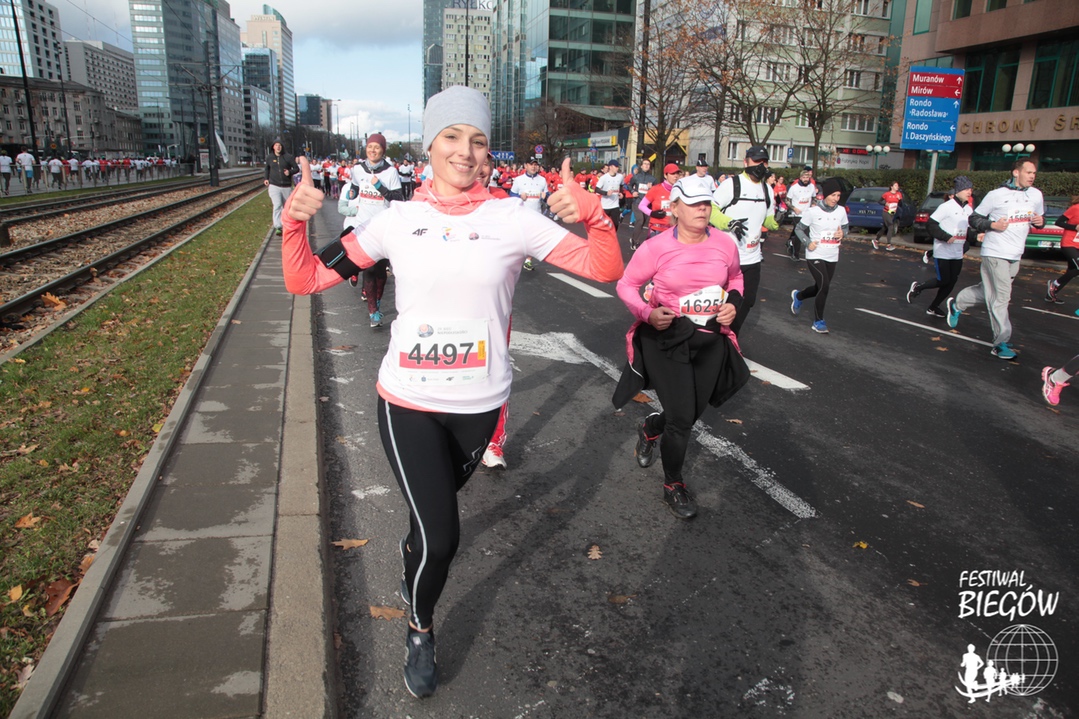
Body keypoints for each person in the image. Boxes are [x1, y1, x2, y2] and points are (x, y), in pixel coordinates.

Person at [280, 85, 622, 698]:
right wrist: (293, 223)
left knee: (426, 526)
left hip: (479, 408)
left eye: (478, 140)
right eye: (452, 137)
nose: (466, 151)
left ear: (488, 152)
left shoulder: (514, 220)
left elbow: (605, 268)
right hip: (407, 402)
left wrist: (594, 215)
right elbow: (304, 278)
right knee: (442, 537)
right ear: (429, 147)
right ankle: (420, 627)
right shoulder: (395, 222)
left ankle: (417, 558)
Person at [612, 178, 749, 520]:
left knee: (690, 413)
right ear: (674, 208)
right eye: (693, 204)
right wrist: (647, 313)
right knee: (683, 418)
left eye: (706, 203)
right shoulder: (656, 247)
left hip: (710, 338)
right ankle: (673, 483)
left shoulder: (725, 243)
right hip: (668, 337)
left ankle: (650, 428)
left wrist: (733, 303)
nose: (702, 209)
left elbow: (736, 278)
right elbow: (626, 285)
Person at [946, 160, 1045, 360]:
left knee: (988, 291)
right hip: (995, 251)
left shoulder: (1036, 195)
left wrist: (1040, 222)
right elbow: (974, 219)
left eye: (1034, 173)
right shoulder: (996, 195)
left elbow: (1040, 219)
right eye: (1028, 172)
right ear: (1016, 172)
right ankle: (1000, 342)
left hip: (1015, 254)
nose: (1032, 176)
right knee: (1001, 297)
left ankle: (957, 304)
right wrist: (993, 225)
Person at [709, 145, 779, 337]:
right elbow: (711, 210)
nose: (760, 166)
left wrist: (777, 222)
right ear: (746, 162)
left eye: (764, 162)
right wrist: (729, 223)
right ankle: (714, 338)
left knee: (747, 301)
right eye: (756, 161)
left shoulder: (767, 189)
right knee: (720, 302)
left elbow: (767, 219)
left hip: (752, 257)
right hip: (727, 257)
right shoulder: (732, 185)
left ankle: (730, 337)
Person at [341, 133, 403, 327]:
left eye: (377, 147)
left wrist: (380, 188)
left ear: (383, 150)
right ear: (366, 149)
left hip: (383, 227)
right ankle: (373, 311)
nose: (373, 150)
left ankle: (376, 300)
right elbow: (355, 186)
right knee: (368, 268)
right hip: (363, 226)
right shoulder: (358, 169)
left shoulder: (390, 172)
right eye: (370, 147)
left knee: (380, 272)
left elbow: (399, 198)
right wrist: (353, 193)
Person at [906, 177, 978, 317]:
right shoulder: (946, 207)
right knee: (943, 280)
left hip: (957, 253)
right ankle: (918, 287)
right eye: (966, 189)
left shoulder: (968, 209)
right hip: (943, 252)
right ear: (958, 190)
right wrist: (945, 237)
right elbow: (931, 224)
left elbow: (967, 230)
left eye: (971, 189)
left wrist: (976, 236)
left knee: (951, 282)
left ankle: (933, 307)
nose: (970, 192)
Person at [790, 177, 848, 334]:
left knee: (819, 287)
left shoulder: (841, 211)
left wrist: (842, 234)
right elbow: (799, 229)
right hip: (815, 253)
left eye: (838, 196)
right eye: (833, 195)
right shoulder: (813, 212)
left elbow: (845, 228)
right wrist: (807, 242)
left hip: (832, 254)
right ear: (826, 195)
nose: (835, 199)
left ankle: (799, 296)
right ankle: (818, 321)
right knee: (824, 286)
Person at [510, 155, 549, 270]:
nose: (533, 167)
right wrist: (519, 197)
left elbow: (547, 198)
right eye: (531, 164)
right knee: (521, 239)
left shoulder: (542, 180)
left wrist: (545, 197)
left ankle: (528, 260)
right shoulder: (519, 180)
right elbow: (511, 196)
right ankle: (516, 258)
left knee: (534, 239)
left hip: (537, 214)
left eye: (535, 164)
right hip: (521, 215)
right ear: (526, 166)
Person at [636, 163, 682, 249]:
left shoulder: (681, 191)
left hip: (674, 230)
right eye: (672, 173)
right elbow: (641, 205)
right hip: (657, 229)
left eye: (677, 173)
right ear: (665, 175)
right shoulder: (656, 189)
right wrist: (652, 213)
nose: (675, 176)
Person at [1045, 195, 1079, 304]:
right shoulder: (1075, 208)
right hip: (1069, 244)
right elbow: (1058, 222)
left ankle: (1051, 294)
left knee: (1073, 271)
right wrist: (1074, 227)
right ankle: (1054, 284)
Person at [265, 139, 299, 235]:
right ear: (273, 147)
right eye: (276, 145)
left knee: (287, 207)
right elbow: (267, 169)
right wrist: (266, 178)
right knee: (277, 205)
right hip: (274, 185)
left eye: (279, 145)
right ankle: (278, 226)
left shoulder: (288, 157)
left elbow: (296, 168)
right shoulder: (270, 157)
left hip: (286, 186)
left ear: (282, 147)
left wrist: (289, 172)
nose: (278, 147)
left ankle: (288, 225)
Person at [785, 166, 817, 260]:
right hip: (797, 214)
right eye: (804, 177)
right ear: (800, 178)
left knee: (807, 234)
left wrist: (813, 204)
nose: (806, 179)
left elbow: (814, 198)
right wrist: (794, 208)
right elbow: (787, 200)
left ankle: (793, 245)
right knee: (799, 234)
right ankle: (795, 254)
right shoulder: (794, 188)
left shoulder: (811, 187)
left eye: (807, 177)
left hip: (807, 213)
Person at [873, 181, 902, 251]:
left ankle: (876, 240)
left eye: (897, 186)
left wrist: (900, 199)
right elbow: (879, 201)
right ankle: (889, 245)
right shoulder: (887, 194)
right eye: (895, 185)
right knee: (891, 226)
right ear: (891, 187)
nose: (897, 187)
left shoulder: (899, 194)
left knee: (884, 228)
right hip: (886, 212)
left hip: (892, 213)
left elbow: (900, 204)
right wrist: (885, 203)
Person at [596, 160, 625, 229]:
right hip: (605, 205)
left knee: (616, 224)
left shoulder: (620, 176)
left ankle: (613, 235)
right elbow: (597, 189)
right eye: (616, 166)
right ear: (611, 167)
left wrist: (621, 193)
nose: (617, 168)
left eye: (618, 167)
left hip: (615, 205)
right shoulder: (604, 177)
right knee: (603, 224)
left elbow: (621, 185)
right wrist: (606, 193)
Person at [627, 159, 655, 231]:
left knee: (643, 222)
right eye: (645, 164)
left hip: (647, 204)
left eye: (648, 164)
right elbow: (629, 185)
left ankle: (635, 236)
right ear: (641, 166)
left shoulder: (653, 179)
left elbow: (656, 190)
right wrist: (633, 192)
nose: (646, 165)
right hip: (637, 202)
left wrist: (651, 188)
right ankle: (635, 238)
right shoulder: (636, 177)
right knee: (640, 220)